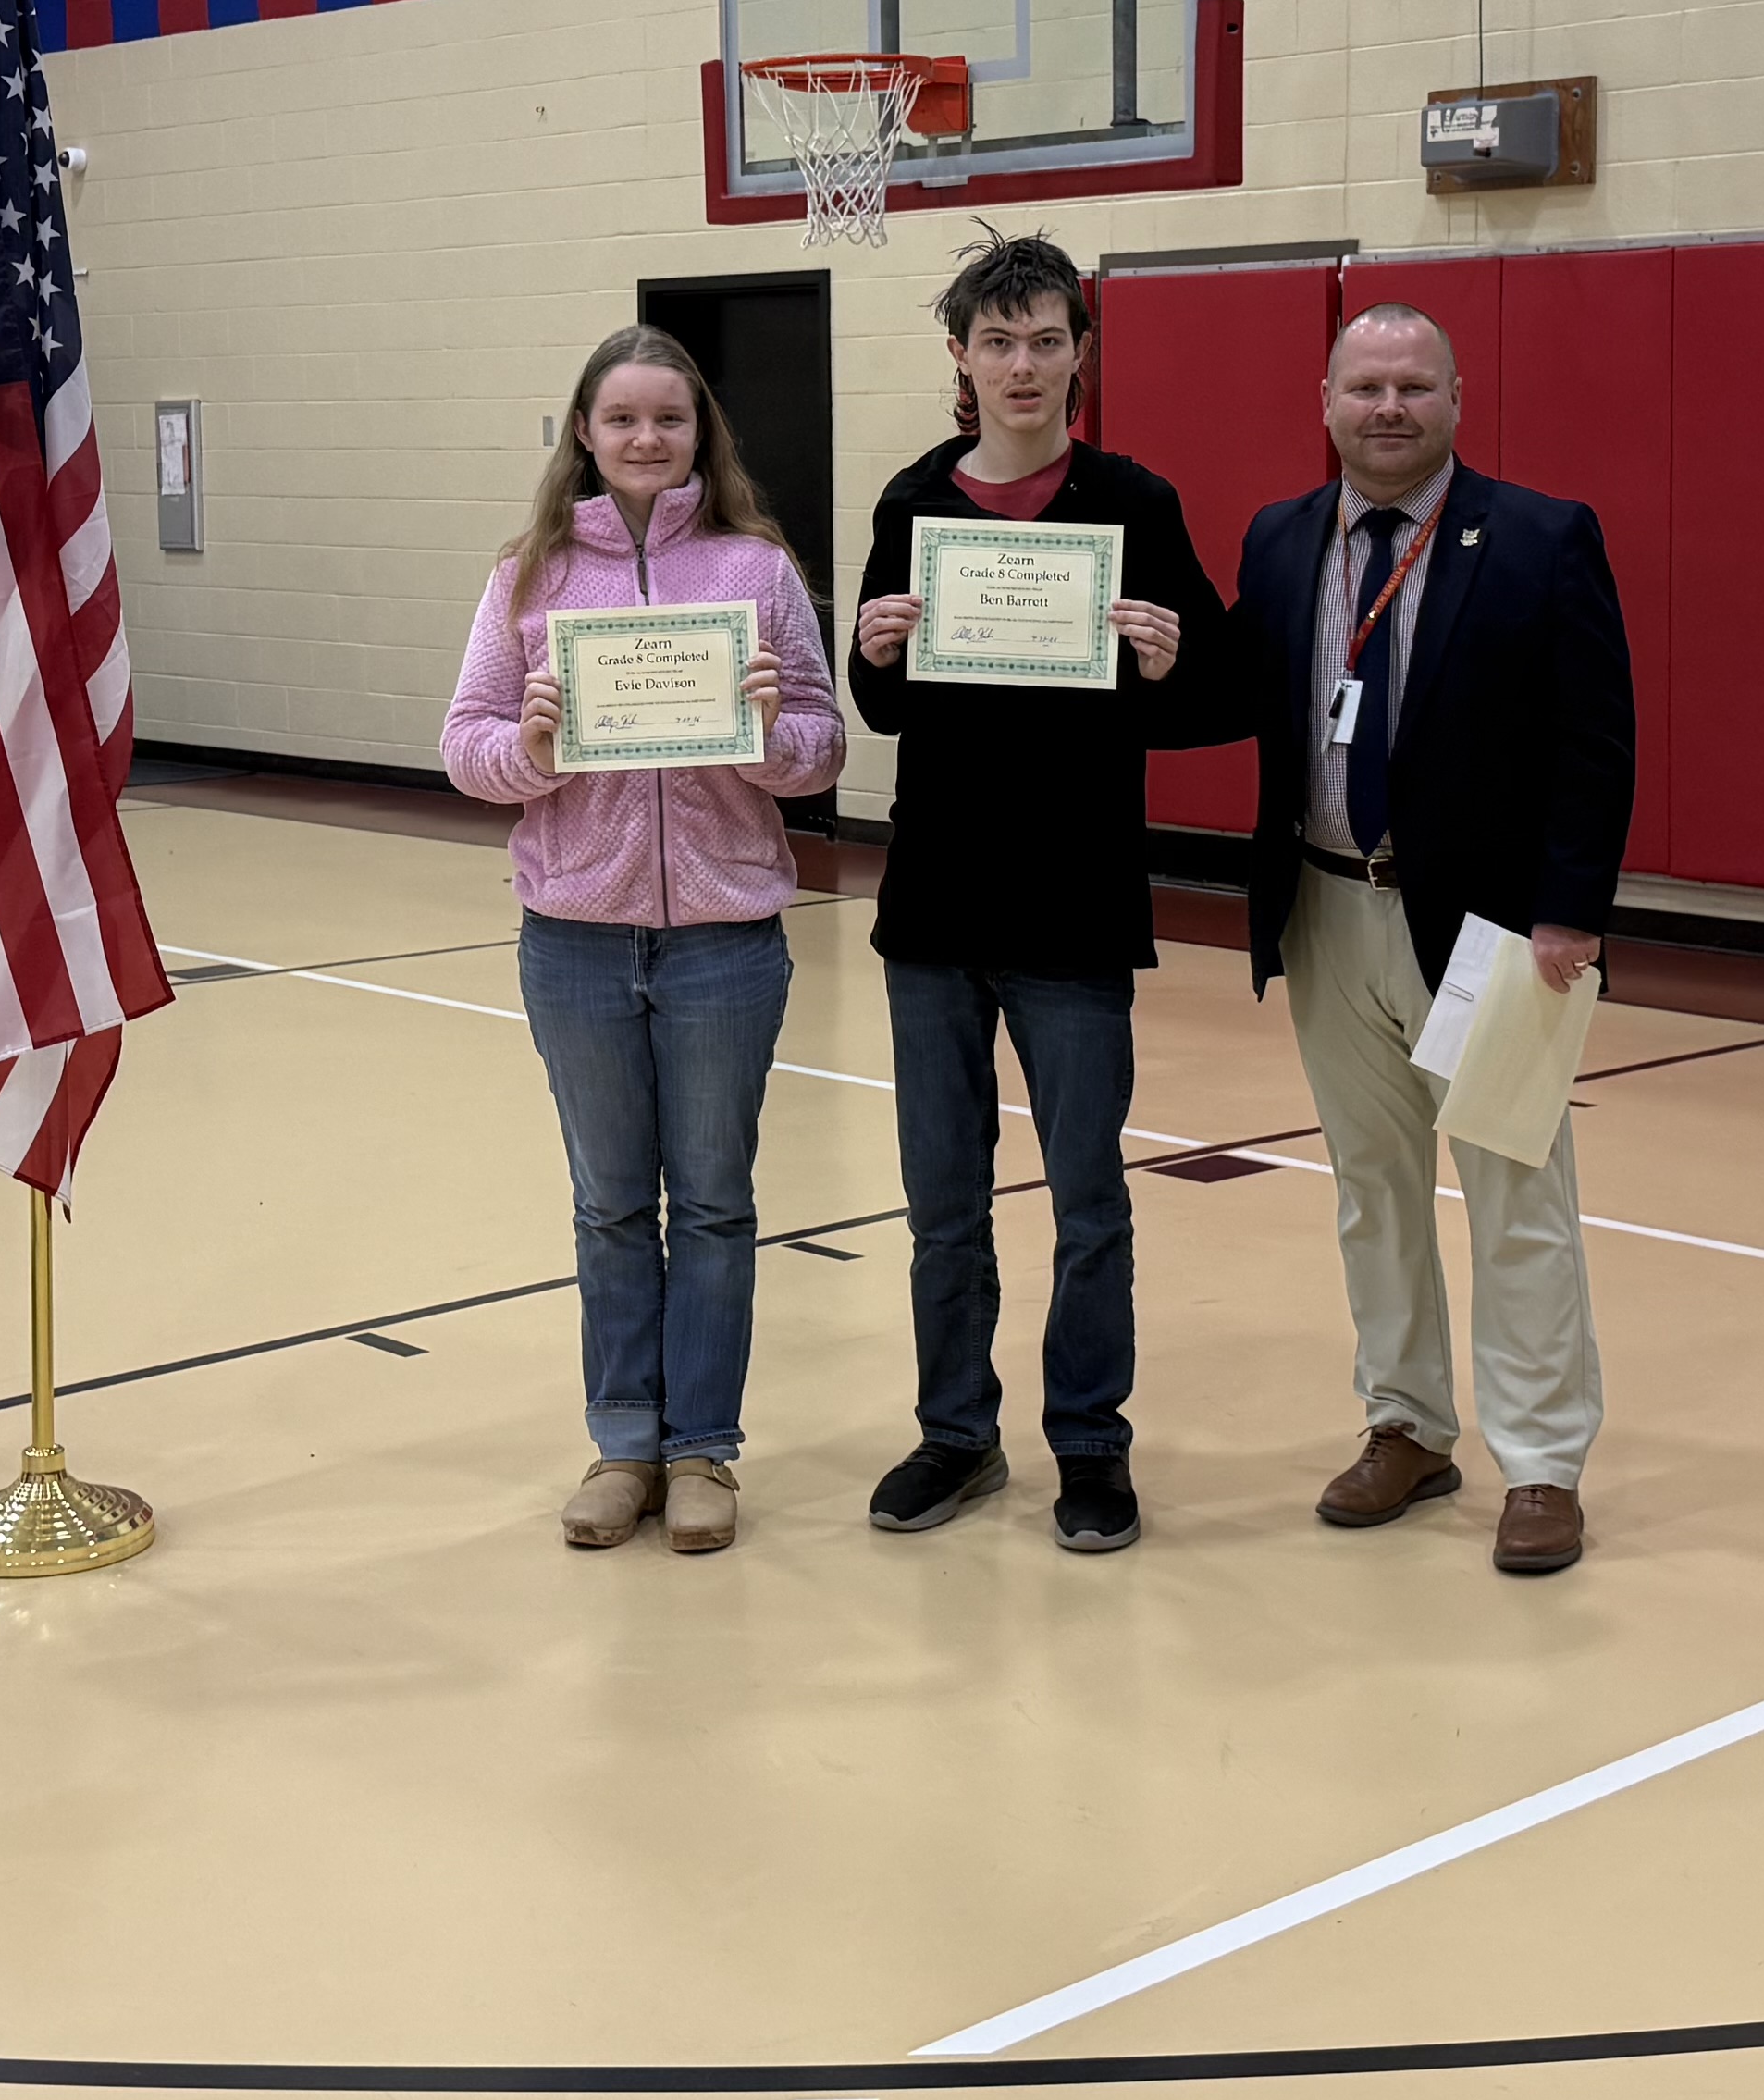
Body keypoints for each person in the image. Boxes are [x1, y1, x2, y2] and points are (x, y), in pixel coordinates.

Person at [848, 228, 1241, 1554]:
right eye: (998, 341)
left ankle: (1090, 1444)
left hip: (1074, 907)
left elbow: (1220, 695)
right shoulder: (912, 502)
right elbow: (881, 708)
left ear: (1080, 354)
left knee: (1089, 1198)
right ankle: (956, 1436)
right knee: (942, 1203)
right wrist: (879, 652)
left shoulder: (1134, 502)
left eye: (1046, 340)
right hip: (939, 907)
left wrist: (1171, 662)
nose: (1024, 364)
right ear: (959, 356)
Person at [1234, 302, 1635, 1577]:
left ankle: (1542, 1460)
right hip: (1325, 901)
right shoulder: (1283, 539)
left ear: (1456, 397)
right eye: (1366, 387)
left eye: (1414, 386)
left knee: (1519, 1197)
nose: (1389, 408)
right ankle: (1406, 1423)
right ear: (1327, 401)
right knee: (1372, 1189)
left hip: (1494, 929)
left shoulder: (1539, 536)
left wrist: (1570, 906)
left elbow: (1596, 736)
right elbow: (1240, 698)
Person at [443, 326, 848, 1553]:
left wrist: (772, 737)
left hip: (725, 939)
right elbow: (467, 744)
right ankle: (623, 1445)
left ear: (699, 433)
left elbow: (824, 750)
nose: (645, 440)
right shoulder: (528, 574)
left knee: (716, 1205)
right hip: (574, 936)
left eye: (668, 420)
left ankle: (704, 1453)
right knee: (613, 1206)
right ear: (584, 432)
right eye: (621, 420)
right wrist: (540, 754)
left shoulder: (756, 570)